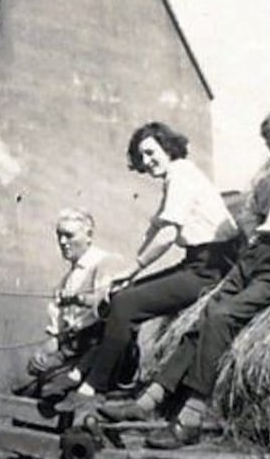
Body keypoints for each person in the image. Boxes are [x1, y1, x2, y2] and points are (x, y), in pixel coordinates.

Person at [99, 109, 270, 449]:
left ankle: (191, 416)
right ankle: (146, 403)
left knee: (221, 317)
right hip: (254, 256)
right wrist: (253, 234)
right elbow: (254, 212)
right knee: (203, 317)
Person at [44, 122, 243, 409]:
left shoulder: (182, 175)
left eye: (151, 153)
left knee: (125, 305)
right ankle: (81, 373)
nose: (147, 162)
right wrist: (127, 276)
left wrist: (134, 268)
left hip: (214, 266)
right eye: (142, 157)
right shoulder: (176, 176)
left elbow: (168, 235)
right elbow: (155, 228)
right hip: (198, 262)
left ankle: (92, 389)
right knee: (121, 297)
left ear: (168, 148)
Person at [14, 207, 126, 396]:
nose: (63, 242)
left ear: (88, 235)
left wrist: (78, 299)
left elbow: (109, 306)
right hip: (70, 349)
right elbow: (57, 335)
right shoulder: (65, 281)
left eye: (69, 235)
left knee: (47, 390)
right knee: (24, 384)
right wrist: (40, 354)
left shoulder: (106, 263)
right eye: (59, 235)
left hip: (96, 351)